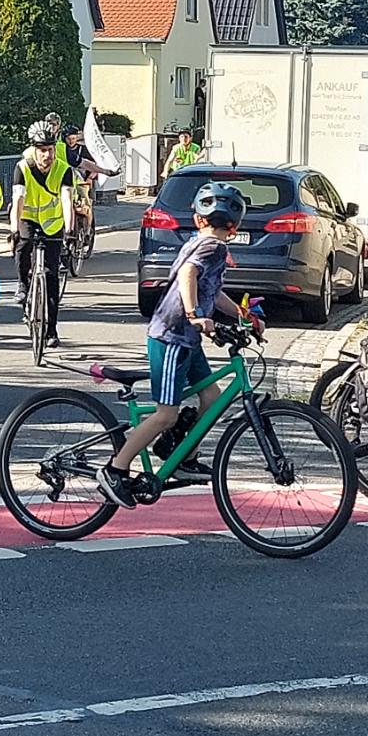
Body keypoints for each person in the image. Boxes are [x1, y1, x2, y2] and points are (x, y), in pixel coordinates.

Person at [95, 181, 257, 507]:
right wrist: (195, 314)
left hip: (186, 338)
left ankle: (184, 456)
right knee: (166, 415)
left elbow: (211, 289)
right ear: (236, 226)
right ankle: (115, 468)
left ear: (198, 219)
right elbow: (187, 277)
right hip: (171, 337)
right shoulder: (213, 248)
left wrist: (241, 314)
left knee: (212, 397)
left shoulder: (201, 242)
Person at [9, 121, 77, 347]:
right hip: (27, 218)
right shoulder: (23, 167)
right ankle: (23, 286)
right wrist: (13, 228)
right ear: (34, 149)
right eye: (42, 150)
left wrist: (70, 230)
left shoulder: (63, 170)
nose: (47, 155)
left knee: (50, 274)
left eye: (50, 149)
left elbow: (67, 199)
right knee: (22, 248)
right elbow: (18, 199)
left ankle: (51, 330)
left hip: (53, 223)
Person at [61, 127, 119, 246]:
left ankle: (87, 231)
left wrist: (91, 178)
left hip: (84, 181)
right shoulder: (63, 150)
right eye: (69, 139)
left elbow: (91, 165)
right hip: (69, 181)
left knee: (87, 204)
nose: (71, 141)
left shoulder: (83, 150)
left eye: (73, 138)